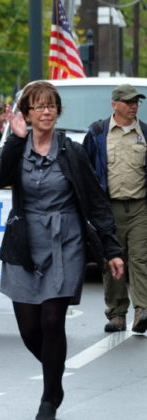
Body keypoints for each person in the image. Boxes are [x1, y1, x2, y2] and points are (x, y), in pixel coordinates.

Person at [0, 81, 124, 420]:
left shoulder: (71, 150)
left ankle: (48, 400)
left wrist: (112, 250)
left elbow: (95, 202)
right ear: (27, 114)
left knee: (52, 320)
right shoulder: (17, 144)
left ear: (57, 111)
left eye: (51, 105)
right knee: (29, 329)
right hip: (24, 240)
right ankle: (56, 377)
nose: (46, 111)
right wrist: (14, 138)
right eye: (38, 106)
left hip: (66, 241)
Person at [82, 83, 147, 333]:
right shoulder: (98, 132)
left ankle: (142, 310)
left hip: (140, 205)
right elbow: (86, 170)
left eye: (136, 102)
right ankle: (117, 313)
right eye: (129, 101)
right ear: (114, 104)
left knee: (141, 258)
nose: (134, 106)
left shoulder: (145, 132)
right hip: (107, 208)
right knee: (113, 261)